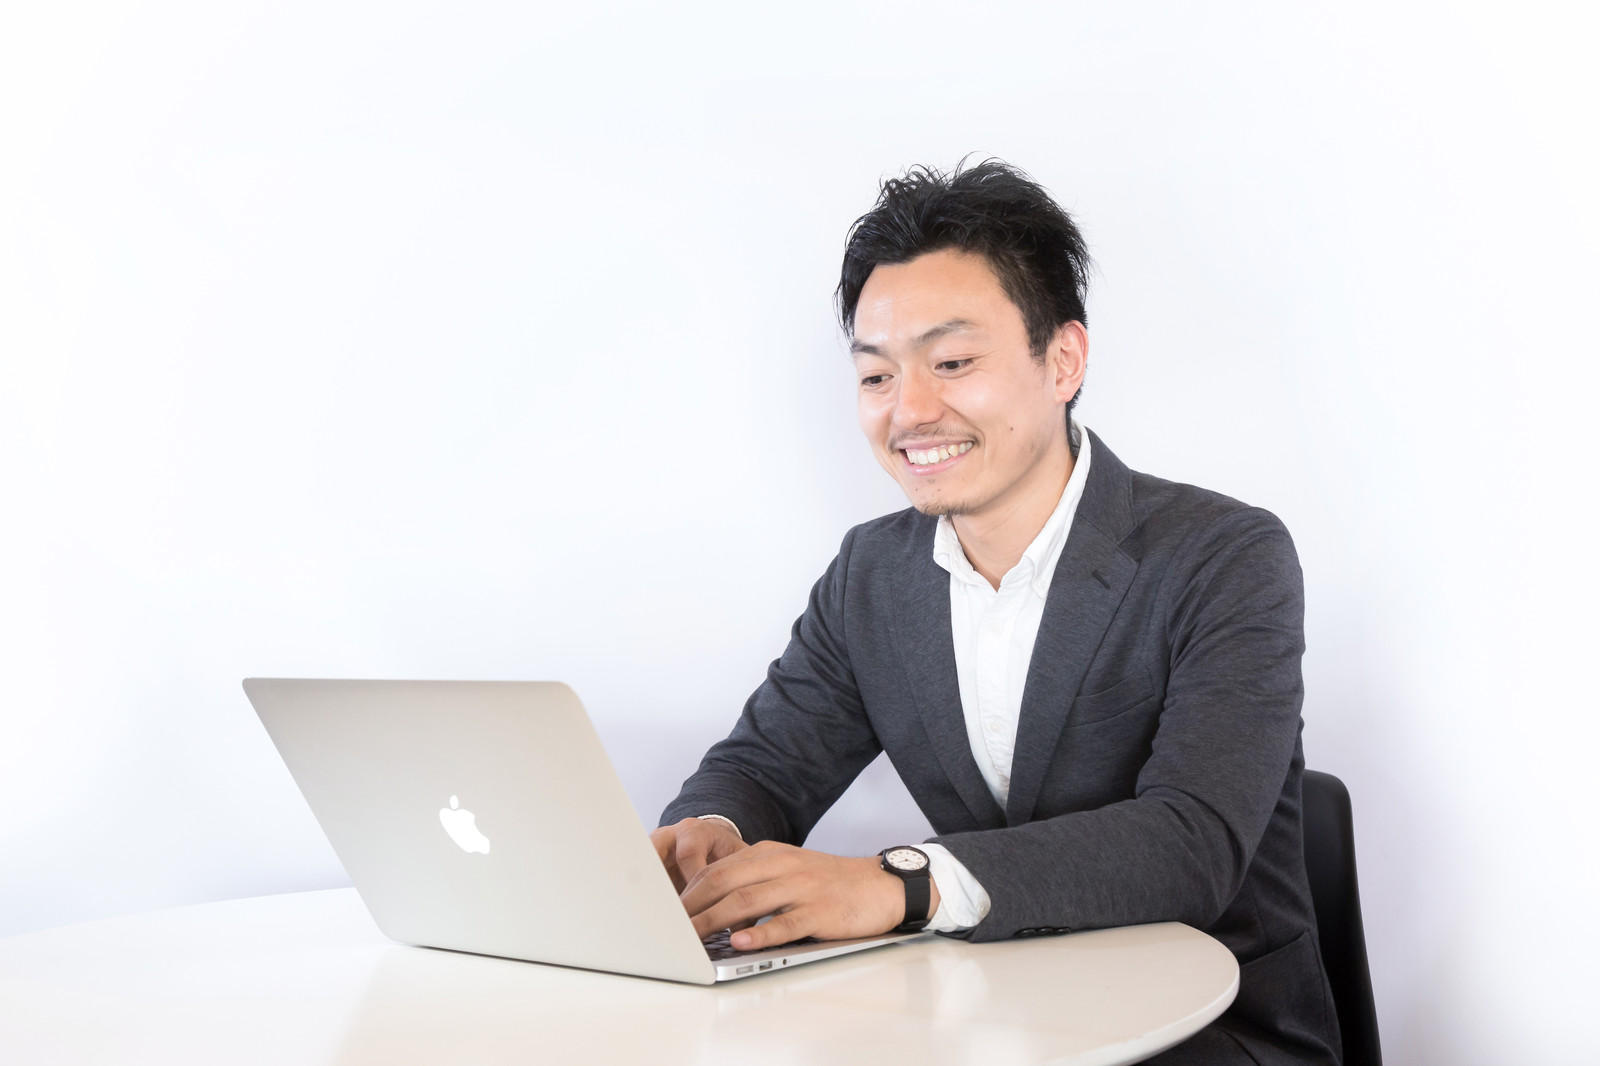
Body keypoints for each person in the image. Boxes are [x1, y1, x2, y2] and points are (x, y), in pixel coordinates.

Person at [651, 159, 1341, 1065]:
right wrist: (712, 835)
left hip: (1214, 1028)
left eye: (952, 363)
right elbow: (762, 767)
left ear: (1063, 361)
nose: (910, 411)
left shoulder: (1222, 555)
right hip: (992, 1018)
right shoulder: (873, 575)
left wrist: (900, 883)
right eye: (876, 377)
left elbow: (1192, 842)